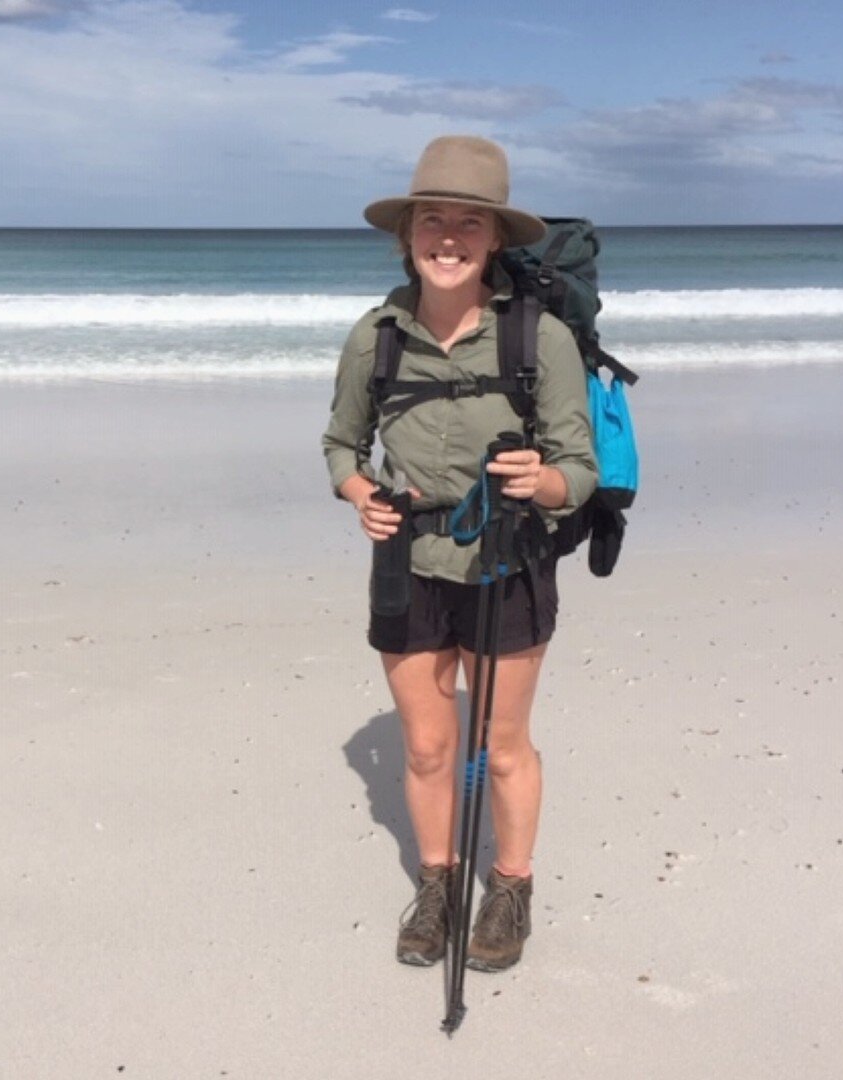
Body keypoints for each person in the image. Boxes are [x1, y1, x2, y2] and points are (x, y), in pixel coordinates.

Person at [322, 136, 597, 971]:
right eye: (431, 220)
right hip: (407, 562)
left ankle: (509, 887)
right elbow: (341, 445)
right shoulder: (375, 335)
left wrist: (538, 481)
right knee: (429, 748)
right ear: (406, 235)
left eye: (467, 223)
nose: (448, 238)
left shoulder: (539, 339)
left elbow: (578, 471)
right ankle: (438, 884)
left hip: (506, 562)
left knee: (500, 744)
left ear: (495, 240)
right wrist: (359, 494)